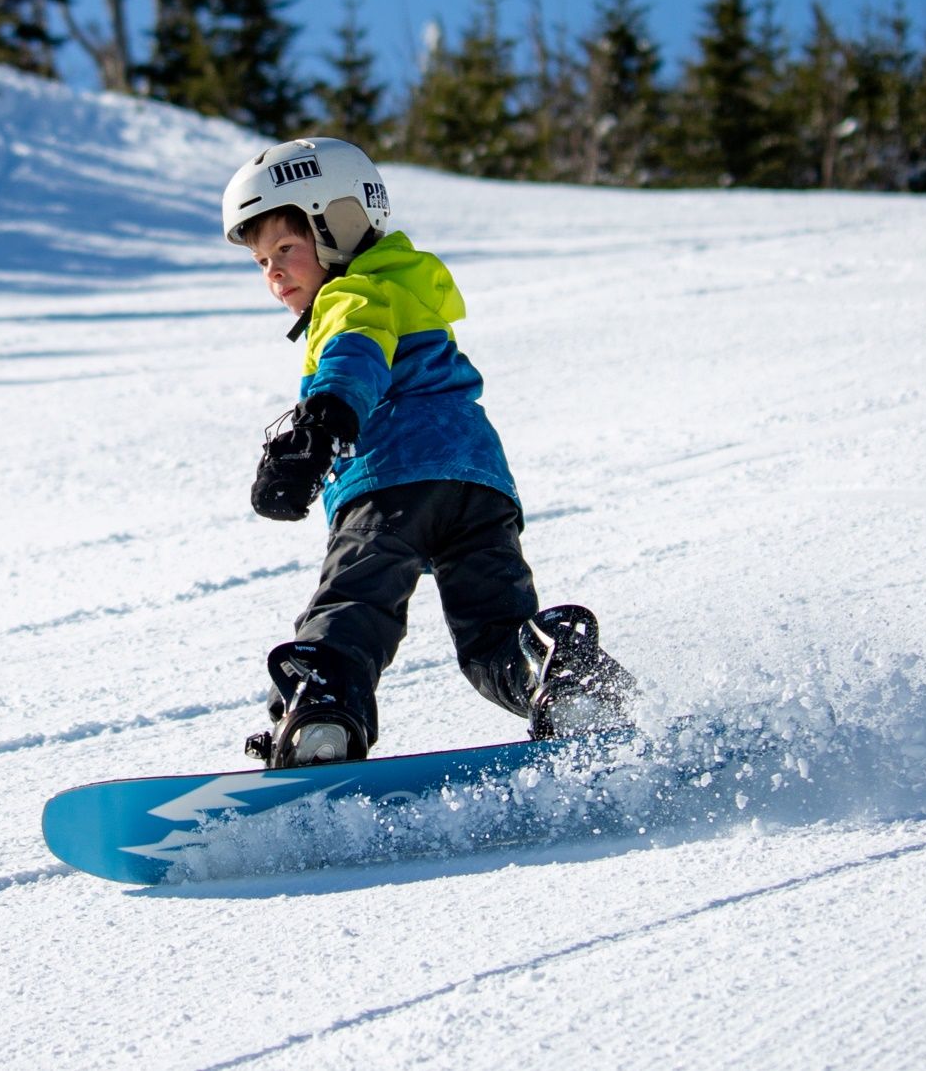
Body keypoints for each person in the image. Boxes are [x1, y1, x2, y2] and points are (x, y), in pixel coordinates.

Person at [221, 136, 635, 767]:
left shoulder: (351, 297)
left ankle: (323, 719)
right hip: (478, 484)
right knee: (493, 635)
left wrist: (315, 435)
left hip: (392, 479)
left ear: (340, 225)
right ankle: (557, 673)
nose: (273, 271)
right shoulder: (408, 290)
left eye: (285, 248)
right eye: (259, 261)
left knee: (357, 605)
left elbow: (352, 362)